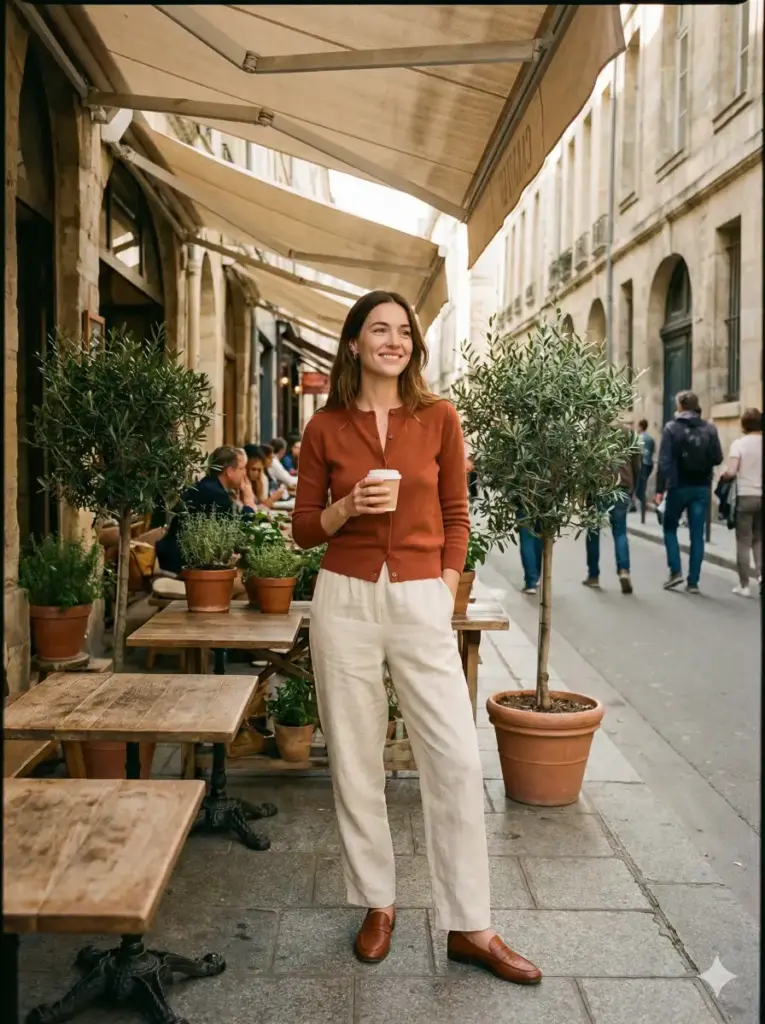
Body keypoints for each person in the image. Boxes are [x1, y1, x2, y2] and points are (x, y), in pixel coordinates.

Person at [292, 289, 541, 985]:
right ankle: (377, 902)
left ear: (413, 347)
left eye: (403, 331)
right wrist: (345, 507)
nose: (393, 340)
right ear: (353, 344)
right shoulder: (324, 428)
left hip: (419, 597)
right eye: (379, 329)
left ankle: (471, 925)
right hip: (343, 596)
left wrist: (443, 586)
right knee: (354, 757)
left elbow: (458, 514)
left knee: (456, 760)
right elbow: (302, 527)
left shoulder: (437, 418)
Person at [654, 390, 723, 594]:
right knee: (697, 535)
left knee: (669, 528)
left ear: (680, 406)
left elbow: (664, 462)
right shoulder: (709, 429)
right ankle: (693, 581)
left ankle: (675, 571)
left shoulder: (672, 428)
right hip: (701, 487)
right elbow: (718, 457)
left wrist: (659, 489)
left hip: (678, 486)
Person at [155, 445, 256, 575]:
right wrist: (249, 502)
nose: (244, 474)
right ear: (229, 472)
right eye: (242, 469)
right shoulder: (215, 493)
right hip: (181, 563)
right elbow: (242, 526)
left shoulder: (209, 485)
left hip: (177, 558)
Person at [583, 428, 641, 594]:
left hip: (598, 486)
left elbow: (585, 462)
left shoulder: (593, 431)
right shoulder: (627, 432)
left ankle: (593, 575)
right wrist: (633, 486)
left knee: (593, 531)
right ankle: (624, 571)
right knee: (620, 531)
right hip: (622, 486)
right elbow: (637, 463)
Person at [719, 408, 762, 597]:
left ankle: (744, 585)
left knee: (743, 541)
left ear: (743, 424)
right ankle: (761, 576)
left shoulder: (739, 444)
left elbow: (731, 471)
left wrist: (723, 475)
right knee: (759, 539)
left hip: (746, 496)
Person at [244, 444, 289, 512]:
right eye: (253, 469)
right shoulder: (244, 483)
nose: (256, 473)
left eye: (259, 470)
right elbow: (256, 509)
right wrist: (273, 498)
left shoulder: (261, 479)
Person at [635, 419, 655, 522]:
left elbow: (637, 452)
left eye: (637, 426)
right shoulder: (650, 438)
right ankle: (645, 507)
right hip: (649, 464)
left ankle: (647, 507)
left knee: (639, 489)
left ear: (641, 427)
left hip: (642, 464)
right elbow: (653, 451)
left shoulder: (640, 437)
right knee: (641, 488)